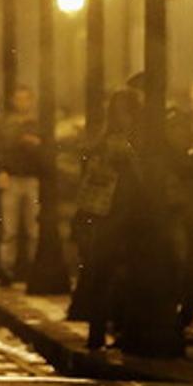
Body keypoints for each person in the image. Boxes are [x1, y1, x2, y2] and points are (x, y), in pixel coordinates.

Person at [72, 88, 144, 350]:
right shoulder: (114, 142)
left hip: (117, 212)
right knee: (106, 273)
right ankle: (101, 331)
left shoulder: (118, 140)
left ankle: (103, 331)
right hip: (113, 212)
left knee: (106, 274)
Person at [0, 85, 42, 285]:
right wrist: (0, 171)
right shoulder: (7, 125)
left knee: (33, 229)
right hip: (13, 178)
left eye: (26, 98)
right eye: (19, 98)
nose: (22, 103)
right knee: (10, 230)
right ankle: (7, 270)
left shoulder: (38, 124)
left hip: (31, 178)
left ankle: (30, 269)